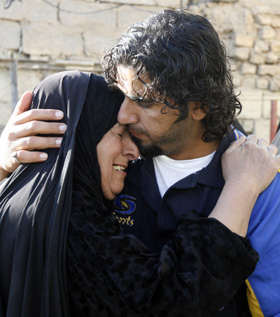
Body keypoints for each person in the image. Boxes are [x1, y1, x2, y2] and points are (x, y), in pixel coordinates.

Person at [1, 9, 280, 316]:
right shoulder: (105, 170)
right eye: (123, 95)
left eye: (145, 102)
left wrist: (242, 188)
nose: (123, 115)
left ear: (201, 106)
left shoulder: (258, 179)